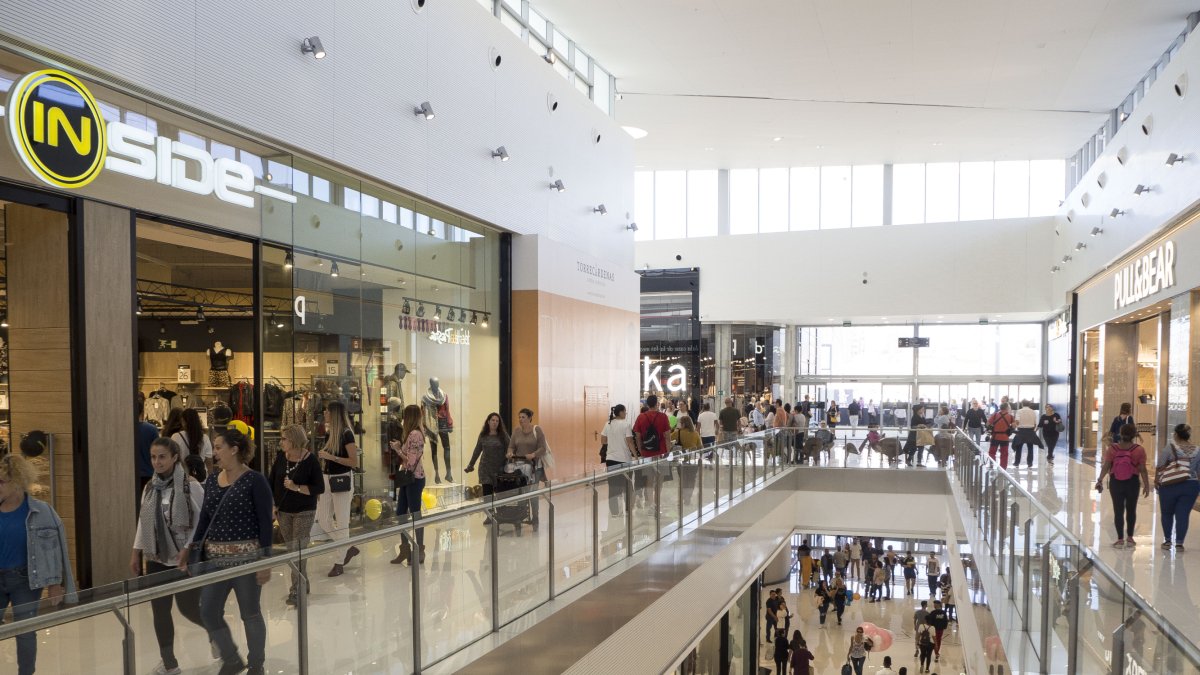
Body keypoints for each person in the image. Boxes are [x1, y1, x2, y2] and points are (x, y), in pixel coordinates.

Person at [180, 424, 273, 675]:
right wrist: (192, 548)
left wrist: (265, 560)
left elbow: (266, 523)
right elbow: (205, 519)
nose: (215, 451)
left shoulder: (255, 480)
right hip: (214, 561)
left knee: (250, 614)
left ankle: (256, 664)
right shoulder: (211, 480)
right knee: (208, 611)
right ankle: (231, 658)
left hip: (247, 560)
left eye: (219, 447)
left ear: (234, 449)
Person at [131, 437, 205, 675]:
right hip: (157, 557)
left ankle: (217, 632)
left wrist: (189, 548)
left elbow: (203, 521)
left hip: (183, 558)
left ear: (174, 458)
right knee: (160, 612)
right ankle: (169, 662)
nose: (157, 462)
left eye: (162, 456)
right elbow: (144, 523)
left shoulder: (190, 485)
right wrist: (136, 552)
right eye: (153, 457)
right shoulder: (150, 487)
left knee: (188, 609)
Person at [0, 454, 76, 675]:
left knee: (25, 631)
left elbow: (58, 551)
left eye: (2, 481)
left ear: (17, 482)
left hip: (25, 580)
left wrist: (57, 584)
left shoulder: (42, 512)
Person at [267, 424, 324, 606]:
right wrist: (273, 505)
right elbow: (271, 482)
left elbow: (319, 488)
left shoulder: (310, 460)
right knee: (293, 550)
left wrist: (297, 487)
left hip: (304, 510)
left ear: (294, 440)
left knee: (297, 550)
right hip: (283, 510)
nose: (281, 442)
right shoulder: (280, 459)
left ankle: (296, 589)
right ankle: (303, 582)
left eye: (284, 439)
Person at [317, 401, 360, 577]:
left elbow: (353, 462)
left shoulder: (346, 434)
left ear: (334, 414)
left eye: (327, 411)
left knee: (342, 522)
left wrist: (331, 457)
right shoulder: (330, 434)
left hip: (341, 479)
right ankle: (347, 547)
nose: (325, 413)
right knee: (323, 519)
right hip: (327, 479)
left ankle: (339, 562)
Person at [1095, 423, 1150, 548]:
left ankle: (1120, 539)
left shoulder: (1113, 449)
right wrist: (1147, 485)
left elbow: (1106, 466)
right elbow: (1142, 469)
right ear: (1134, 435)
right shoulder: (1139, 450)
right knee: (1131, 510)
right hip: (1133, 482)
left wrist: (1099, 479)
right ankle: (1130, 538)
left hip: (1116, 482)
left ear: (1120, 434)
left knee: (1118, 510)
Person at [390, 404, 428, 564]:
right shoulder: (414, 434)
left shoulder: (415, 434)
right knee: (402, 513)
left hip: (414, 478)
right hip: (409, 477)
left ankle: (418, 548)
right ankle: (405, 548)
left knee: (413, 513)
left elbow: (411, 462)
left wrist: (398, 449)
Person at [1157, 423, 1200, 551]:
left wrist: (1157, 481)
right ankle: (1180, 544)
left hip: (1170, 484)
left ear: (1176, 434)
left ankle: (1168, 541)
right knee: (1183, 514)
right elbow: (1199, 472)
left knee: (1167, 513)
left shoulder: (1169, 448)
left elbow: (1160, 466)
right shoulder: (1198, 450)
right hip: (1191, 485)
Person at [508, 408, 549, 531]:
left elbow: (543, 448)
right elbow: (511, 446)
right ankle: (520, 516)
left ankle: (535, 517)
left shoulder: (537, 430)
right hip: (520, 467)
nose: (520, 419)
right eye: (519, 417)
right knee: (521, 493)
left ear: (529, 418)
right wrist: (510, 453)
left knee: (533, 492)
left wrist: (533, 454)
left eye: (523, 417)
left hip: (535, 467)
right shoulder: (516, 431)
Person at [599, 405, 636, 516]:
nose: (626, 414)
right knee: (627, 485)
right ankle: (628, 509)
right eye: (625, 412)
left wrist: (613, 445)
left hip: (610, 459)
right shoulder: (626, 424)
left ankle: (614, 512)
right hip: (624, 459)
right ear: (620, 412)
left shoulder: (608, 424)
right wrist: (636, 456)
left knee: (613, 487)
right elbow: (630, 442)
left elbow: (603, 440)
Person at [465, 412, 510, 497]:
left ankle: (499, 510)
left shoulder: (503, 436)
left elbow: (510, 448)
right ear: (488, 422)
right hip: (485, 469)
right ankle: (489, 510)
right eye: (493, 420)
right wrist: (471, 465)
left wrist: (510, 459)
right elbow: (477, 451)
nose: (495, 422)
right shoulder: (483, 435)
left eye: (497, 421)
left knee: (500, 496)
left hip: (500, 469)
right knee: (488, 496)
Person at [136, 394, 159, 500]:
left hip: (128, 475)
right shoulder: (151, 429)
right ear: (142, 411)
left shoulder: (123, 429)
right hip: (149, 474)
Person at [1011, 400, 1042, 469]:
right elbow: (1035, 423)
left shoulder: (1019, 411)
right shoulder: (1033, 411)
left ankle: (1017, 463)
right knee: (1030, 448)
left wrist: (1016, 426)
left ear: (1022, 404)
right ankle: (1030, 463)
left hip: (1021, 431)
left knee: (1019, 447)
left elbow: (1017, 421)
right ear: (1029, 404)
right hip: (1030, 431)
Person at [987, 403, 1015, 469]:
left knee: (992, 452)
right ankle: (1003, 468)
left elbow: (988, 423)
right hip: (1005, 438)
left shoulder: (995, 415)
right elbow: (1014, 426)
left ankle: (991, 465)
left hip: (995, 437)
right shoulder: (1010, 416)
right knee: (1004, 454)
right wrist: (1010, 428)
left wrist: (992, 428)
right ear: (1007, 408)